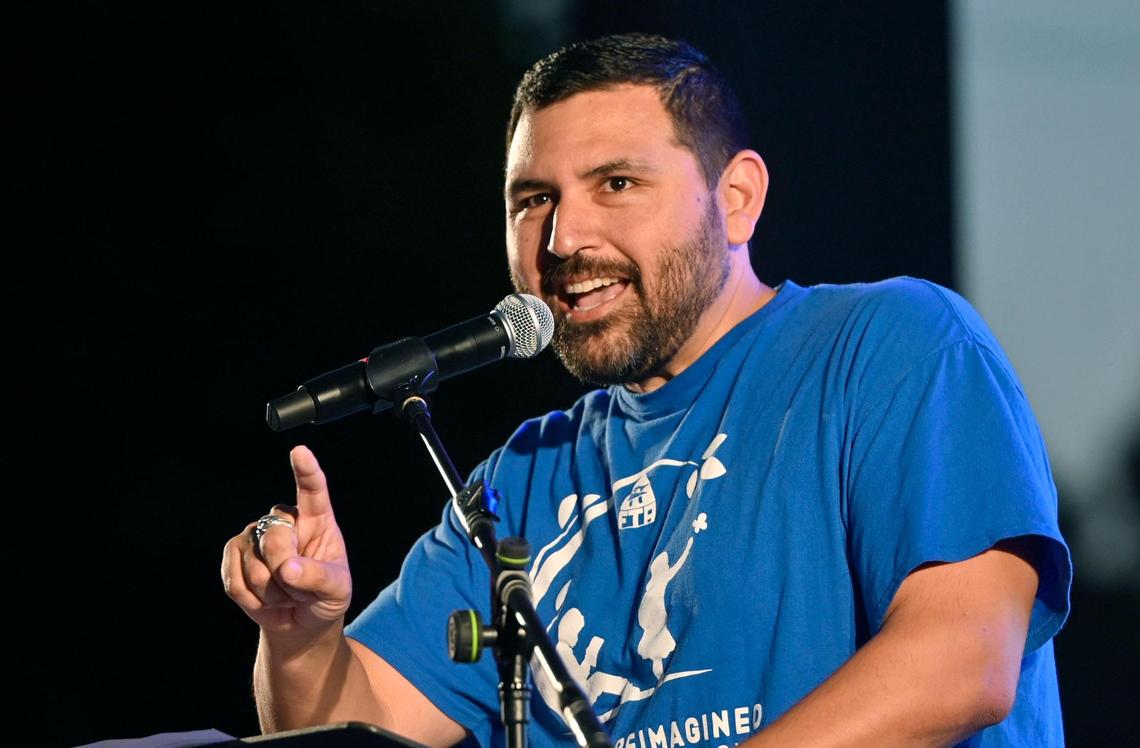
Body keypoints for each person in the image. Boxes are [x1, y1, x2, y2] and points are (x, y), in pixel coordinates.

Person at [221, 32, 1071, 747]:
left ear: (735, 199)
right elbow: (354, 723)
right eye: (532, 200)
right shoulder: (524, 478)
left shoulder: (892, 345)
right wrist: (298, 634)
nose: (564, 237)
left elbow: (964, 658)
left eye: (616, 185)